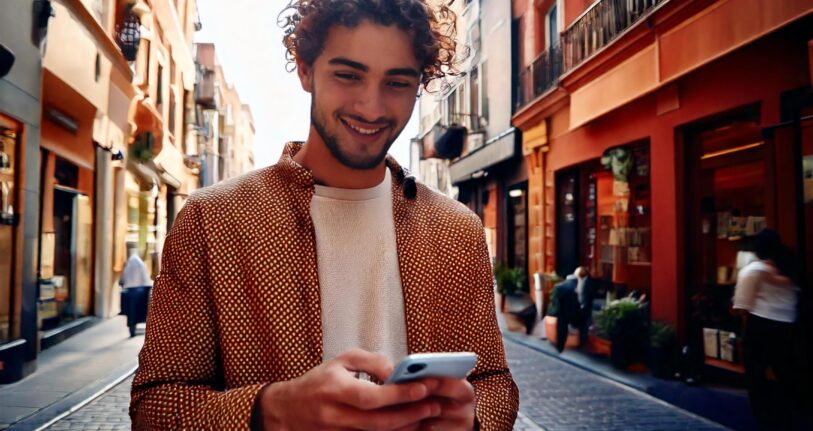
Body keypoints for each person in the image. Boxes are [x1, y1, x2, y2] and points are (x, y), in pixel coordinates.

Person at [129, 1, 519, 429]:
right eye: (348, 75)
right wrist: (272, 409)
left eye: (397, 82)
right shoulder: (213, 219)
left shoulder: (456, 230)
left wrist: (473, 419)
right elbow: (155, 406)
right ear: (305, 68)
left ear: (419, 84)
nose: (371, 107)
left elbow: (493, 382)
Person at [732, 228, 800, 430]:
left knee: (756, 374)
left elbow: (742, 306)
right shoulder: (791, 268)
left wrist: (744, 333)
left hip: (760, 324)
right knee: (783, 372)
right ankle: (785, 414)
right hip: (788, 325)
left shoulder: (753, 271)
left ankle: (764, 418)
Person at [548, 267, 597, 352]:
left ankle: (560, 346)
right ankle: (581, 343)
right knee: (582, 323)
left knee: (562, 326)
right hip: (572, 309)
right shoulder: (578, 284)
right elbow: (581, 298)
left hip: (564, 309)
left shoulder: (566, 283)